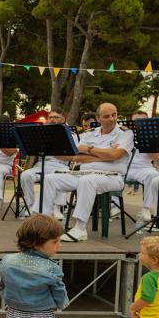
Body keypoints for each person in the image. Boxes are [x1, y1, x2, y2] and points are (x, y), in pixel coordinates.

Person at [42, 103, 133, 242]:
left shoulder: (125, 133)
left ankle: (80, 228)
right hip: (84, 173)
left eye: (114, 114)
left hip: (112, 177)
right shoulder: (90, 133)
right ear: (98, 118)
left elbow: (115, 155)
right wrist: (103, 155)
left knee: (87, 181)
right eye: (107, 116)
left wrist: (90, 149)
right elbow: (76, 157)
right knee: (50, 178)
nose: (112, 119)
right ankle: (44, 224)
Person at [19, 110, 75, 217]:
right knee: (25, 175)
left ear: (63, 119)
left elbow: (73, 157)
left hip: (60, 165)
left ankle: (57, 207)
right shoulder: (40, 134)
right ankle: (31, 206)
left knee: (60, 174)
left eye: (56, 117)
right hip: (41, 164)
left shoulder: (70, 134)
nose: (52, 119)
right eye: (50, 117)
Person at [125, 110, 159, 223]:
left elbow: (157, 158)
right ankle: (114, 206)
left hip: (143, 168)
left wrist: (147, 143)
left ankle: (146, 209)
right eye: (136, 121)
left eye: (142, 121)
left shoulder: (152, 136)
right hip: (124, 167)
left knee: (153, 174)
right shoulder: (123, 135)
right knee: (112, 171)